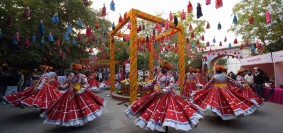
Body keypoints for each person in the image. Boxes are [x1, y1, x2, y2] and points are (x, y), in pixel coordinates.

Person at [125, 62, 203, 132]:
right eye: (162, 67)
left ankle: (164, 124)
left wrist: (164, 90)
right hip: (156, 94)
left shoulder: (170, 76)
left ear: (167, 69)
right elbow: (152, 83)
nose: (162, 69)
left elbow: (171, 85)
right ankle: (154, 124)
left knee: (165, 111)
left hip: (166, 96)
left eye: (164, 68)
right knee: (151, 108)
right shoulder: (158, 75)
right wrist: (142, 85)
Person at [41, 63, 105, 127]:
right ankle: (72, 120)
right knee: (68, 107)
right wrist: (62, 87)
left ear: (78, 70)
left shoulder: (82, 76)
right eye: (73, 69)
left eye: (74, 69)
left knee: (79, 107)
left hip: (79, 93)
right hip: (69, 93)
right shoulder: (71, 76)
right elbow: (68, 85)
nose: (73, 70)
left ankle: (79, 121)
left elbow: (86, 85)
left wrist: (80, 91)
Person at [191, 65, 259, 120]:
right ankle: (222, 113)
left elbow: (209, 84)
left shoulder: (214, 76)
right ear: (221, 70)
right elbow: (233, 82)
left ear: (216, 71)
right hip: (225, 89)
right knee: (226, 101)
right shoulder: (225, 76)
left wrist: (203, 88)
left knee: (216, 102)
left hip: (215, 90)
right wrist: (242, 86)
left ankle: (218, 112)